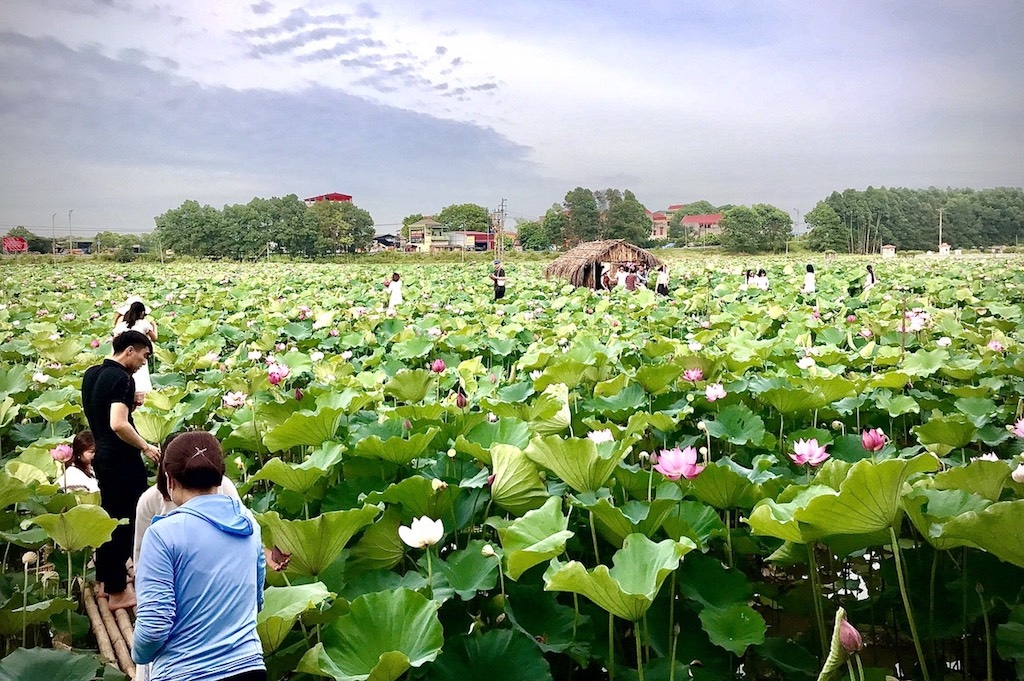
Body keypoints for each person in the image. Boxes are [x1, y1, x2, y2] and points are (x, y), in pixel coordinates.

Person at [132, 431, 266, 681]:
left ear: (169, 480)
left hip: (184, 672)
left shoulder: (162, 535)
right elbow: (256, 600)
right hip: (248, 667)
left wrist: (138, 654)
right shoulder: (249, 524)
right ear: (220, 478)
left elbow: (153, 628)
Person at [81, 329, 160, 611]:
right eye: (143, 356)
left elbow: (102, 416)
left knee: (110, 519)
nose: (143, 363)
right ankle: (117, 592)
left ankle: (105, 582)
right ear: (129, 350)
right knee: (126, 522)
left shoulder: (92, 374)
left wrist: (130, 407)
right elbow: (117, 423)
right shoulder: (122, 378)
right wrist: (146, 447)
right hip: (121, 460)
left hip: (102, 455)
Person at [113, 301, 157, 402]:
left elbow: (115, 341)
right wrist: (154, 325)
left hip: (123, 356)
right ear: (141, 313)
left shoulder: (121, 325)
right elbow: (154, 338)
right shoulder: (144, 323)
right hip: (139, 353)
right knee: (141, 377)